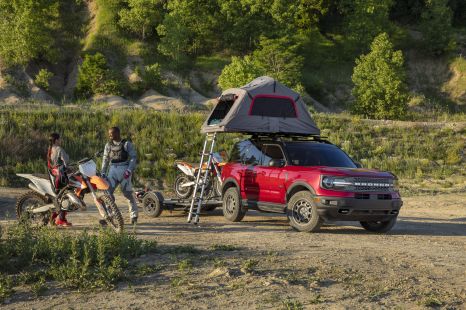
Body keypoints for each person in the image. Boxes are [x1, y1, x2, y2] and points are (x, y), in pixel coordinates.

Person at [101, 126, 138, 224]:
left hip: (124, 170)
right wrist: (103, 172)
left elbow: (133, 157)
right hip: (112, 170)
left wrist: (129, 170)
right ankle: (109, 216)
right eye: (109, 134)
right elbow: (105, 159)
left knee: (128, 194)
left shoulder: (126, 144)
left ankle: (133, 216)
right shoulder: (108, 145)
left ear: (117, 133)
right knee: (107, 193)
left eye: (111, 133)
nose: (109, 136)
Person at [47, 132, 72, 227]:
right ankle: (60, 219)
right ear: (56, 140)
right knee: (66, 197)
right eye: (60, 139)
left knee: (59, 197)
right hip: (61, 176)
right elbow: (66, 162)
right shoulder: (59, 149)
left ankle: (58, 219)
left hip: (53, 175)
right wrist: (69, 168)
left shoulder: (50, 149)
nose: (61, 140)